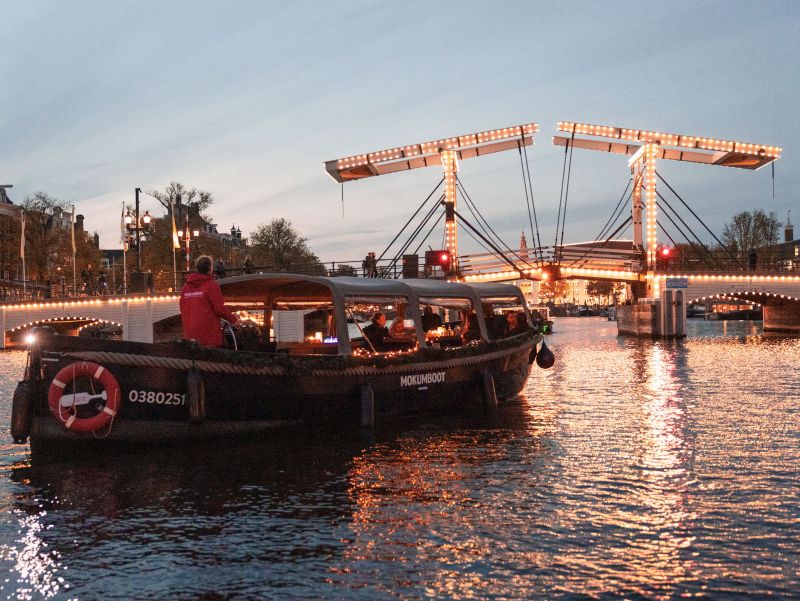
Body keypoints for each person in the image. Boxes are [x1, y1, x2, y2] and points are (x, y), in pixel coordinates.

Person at [180, 255, 239, 347]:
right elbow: (219, 309)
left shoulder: (185, 288)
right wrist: (233, 319)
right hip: (209, 336)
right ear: (210, 269)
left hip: (191, 335)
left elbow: (182, 308)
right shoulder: (211, 285)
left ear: (197, 268)